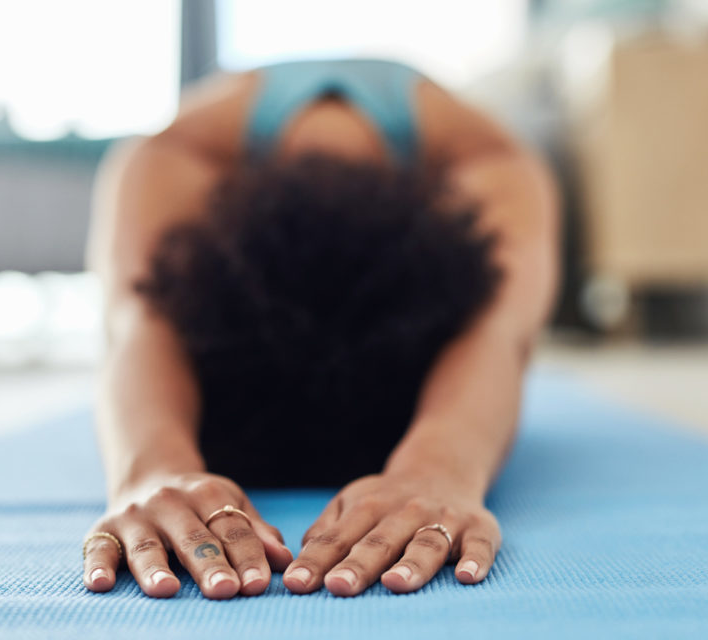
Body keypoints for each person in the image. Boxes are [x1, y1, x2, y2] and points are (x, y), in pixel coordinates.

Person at [81, 58, 559, 600]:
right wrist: (152, 470)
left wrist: (438, 469)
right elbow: (140, 322)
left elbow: (496, 332)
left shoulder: (491, 163)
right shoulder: (169, 157)